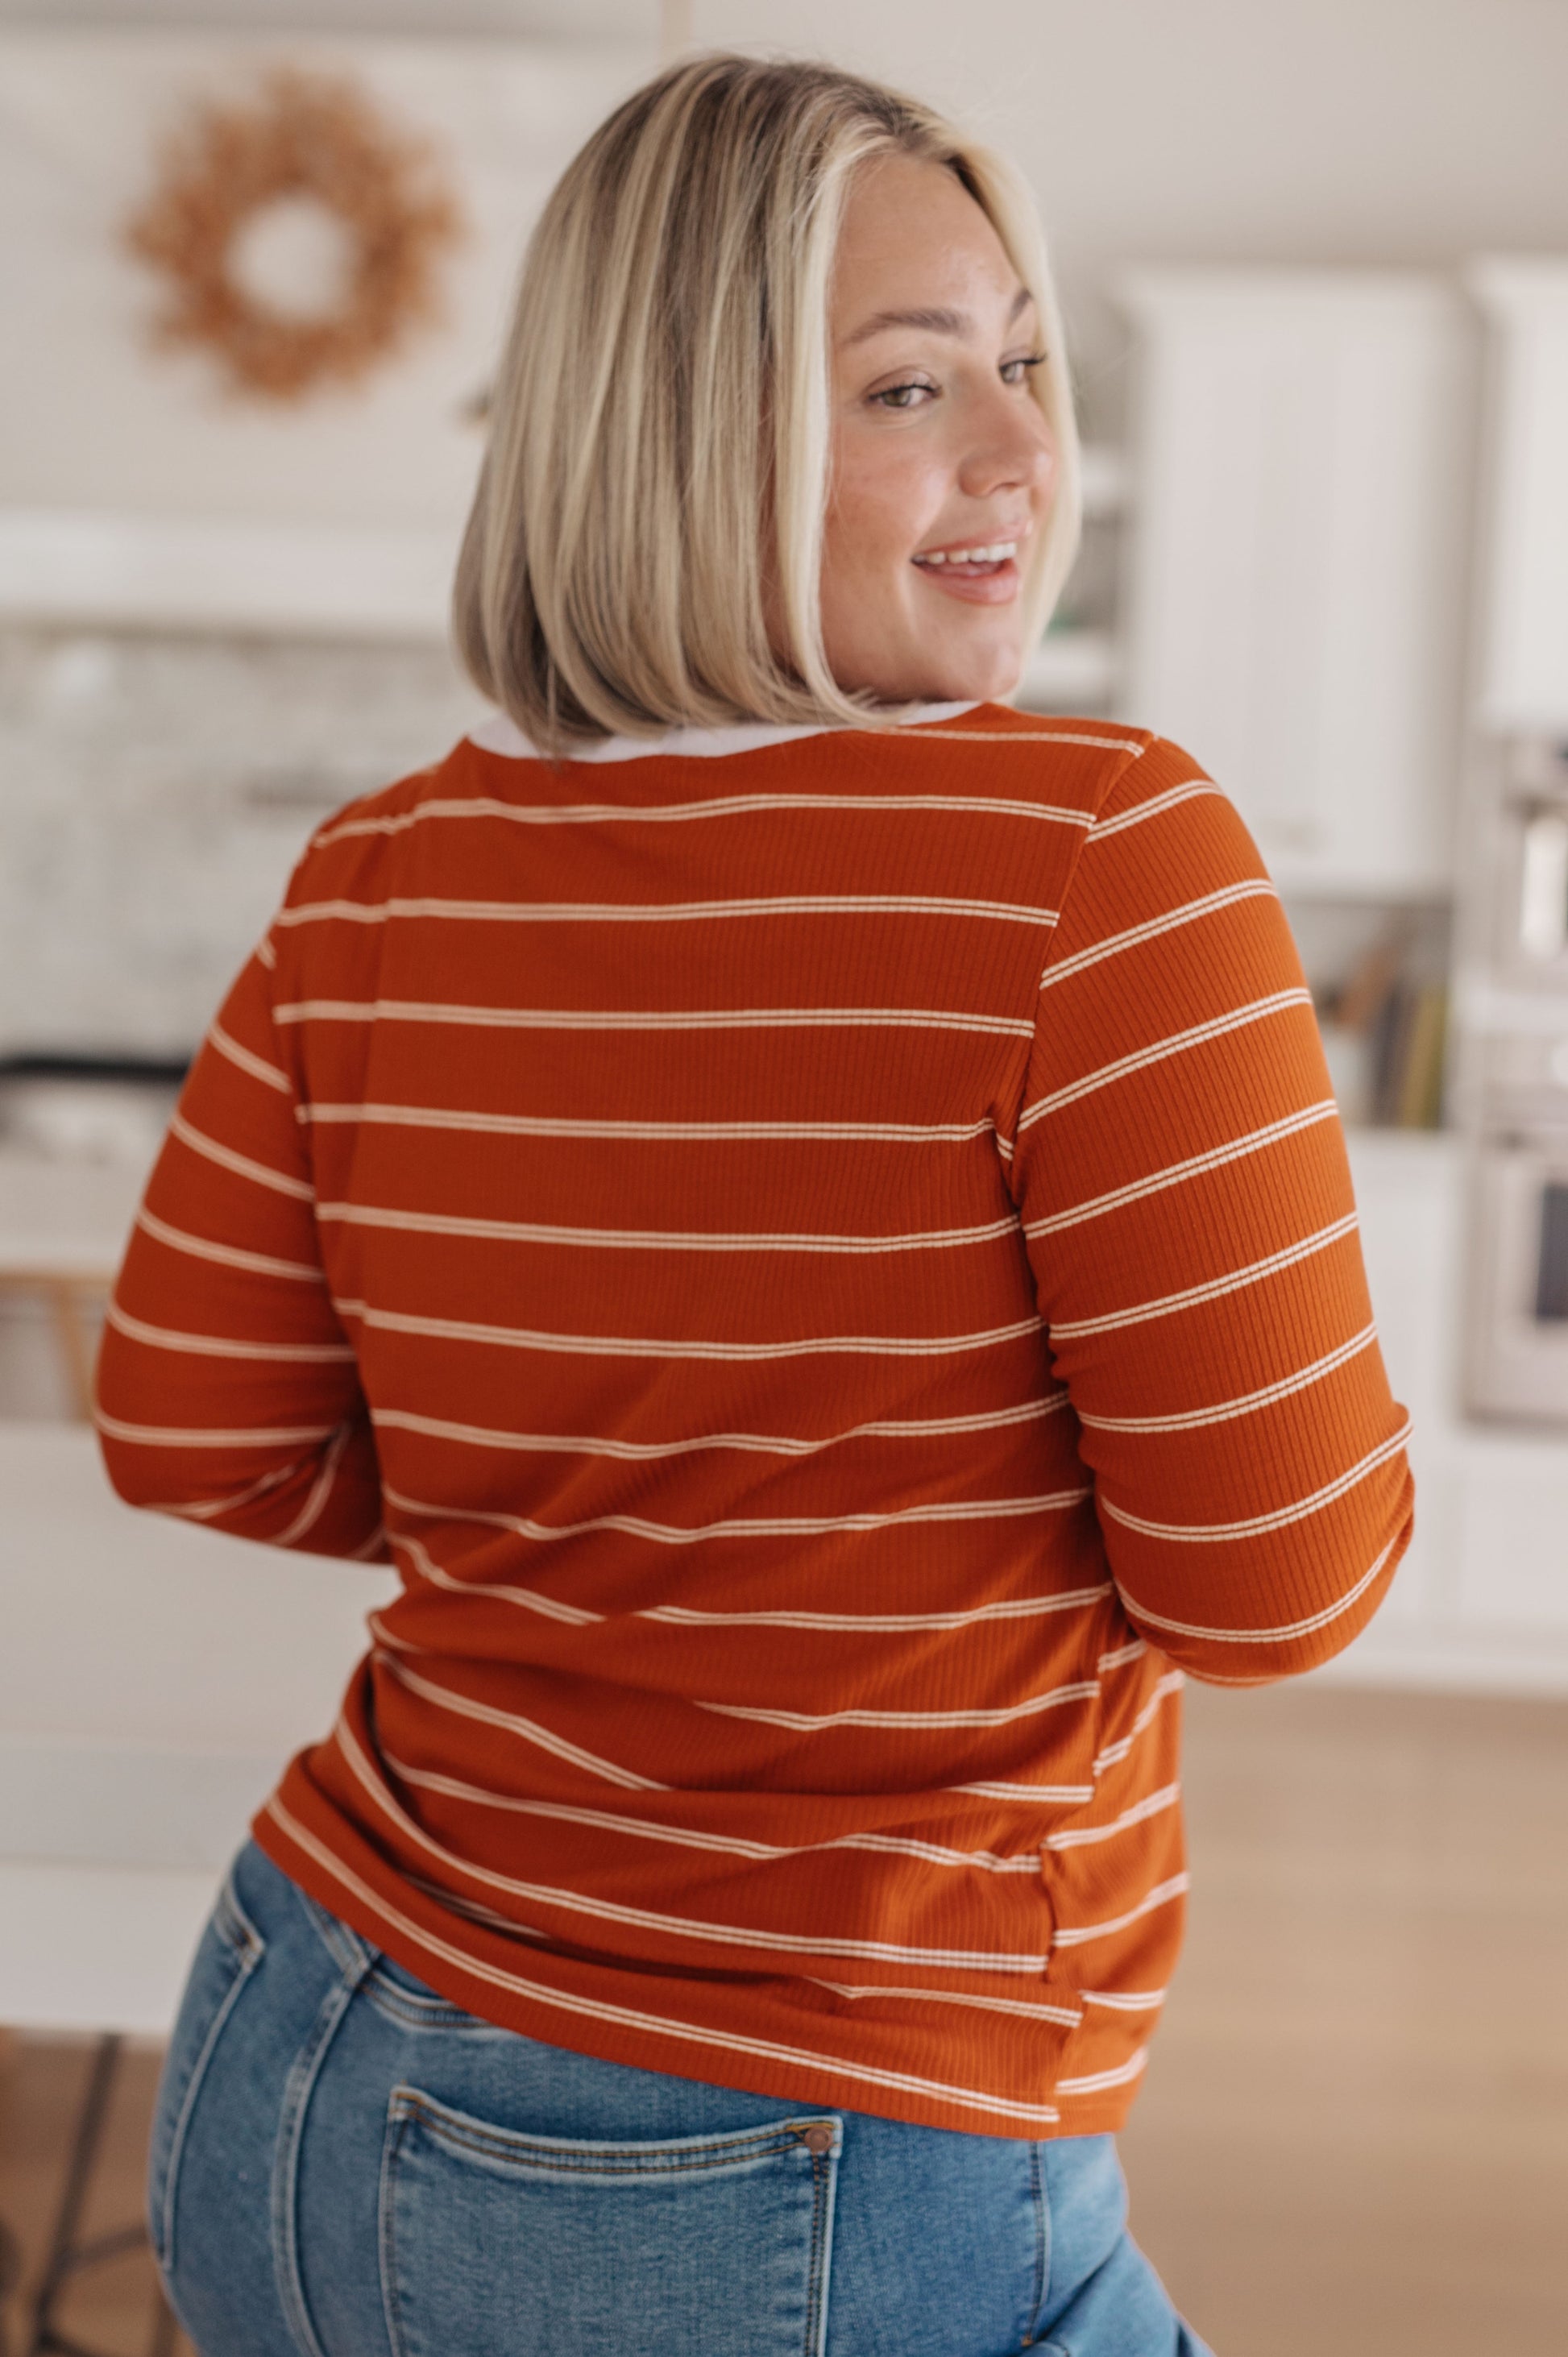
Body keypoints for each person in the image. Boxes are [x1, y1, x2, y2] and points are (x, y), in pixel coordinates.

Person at [96, 53, 1412, 2357]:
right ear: (692, 438)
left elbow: (196, 1428)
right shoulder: (1098, 856)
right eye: (913, 386)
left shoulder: (383, 874)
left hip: (279, 2064)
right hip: (788, 2144)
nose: (1021, 452)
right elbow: (1278, 1580)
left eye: (1022, 361)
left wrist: (608, 1512)